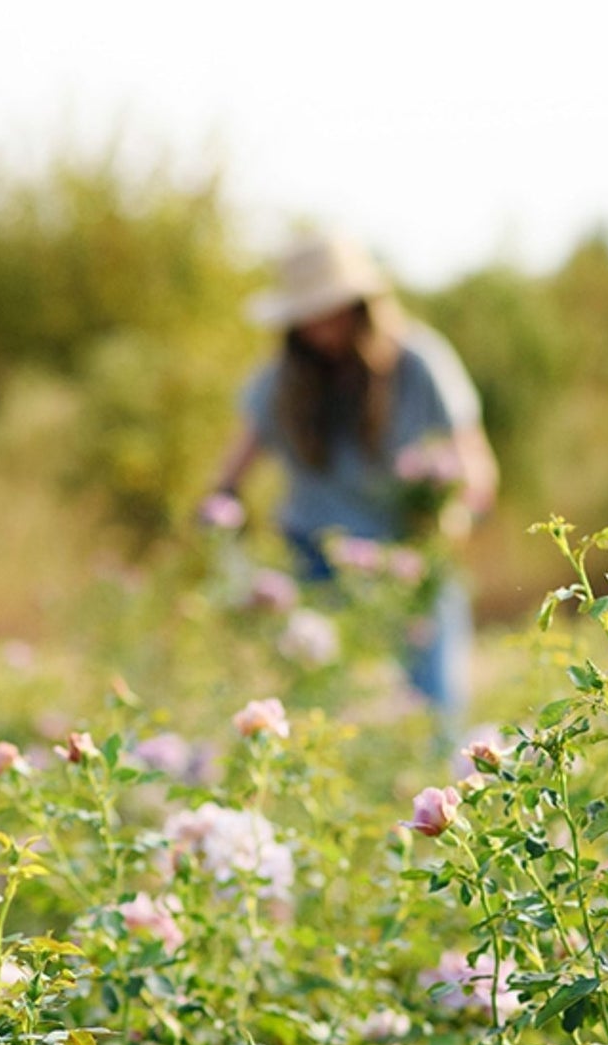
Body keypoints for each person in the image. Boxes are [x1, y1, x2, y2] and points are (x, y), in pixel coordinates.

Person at [203, 232, 498, 726]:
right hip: (315, 557)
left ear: (363, 305)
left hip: (409, 555)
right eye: (309, 313)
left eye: (332, 308)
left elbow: (477, 461)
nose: (322, 326)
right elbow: (226, 482)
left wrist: (457, 511)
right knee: (319, 711)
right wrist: (232, 561)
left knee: (435, 707)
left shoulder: (420, 363)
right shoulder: (280, 382)